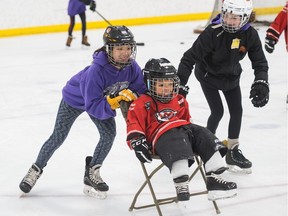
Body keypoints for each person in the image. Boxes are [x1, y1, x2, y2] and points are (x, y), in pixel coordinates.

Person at [19, 25, 147, 199]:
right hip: (75, 99)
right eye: (119, 48)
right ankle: (35, 169)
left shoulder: (132, 67)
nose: (125, 52)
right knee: (58, 137)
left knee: (109, 134)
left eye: (128, 48)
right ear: (109, 49)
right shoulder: (96, 71)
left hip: (100, 100)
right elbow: (93, 105)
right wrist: (111, 103)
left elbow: (139, 89)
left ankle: (92, 171)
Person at [125, 58, 237, 202]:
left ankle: (214, 178)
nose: (167, 88)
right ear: (149, 83)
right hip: (161, 140)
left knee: (203, 133)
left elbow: (186, 123)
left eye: (170, 84)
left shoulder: (179, 100)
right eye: (160, 84)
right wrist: (137, 143)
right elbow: (134, 124)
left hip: (181, 136)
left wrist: (196, 137)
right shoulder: (141, 103)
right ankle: (181, 184)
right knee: (176, 137)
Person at [177, 0, 269, 174]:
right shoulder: (212, 33)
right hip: (208, 76)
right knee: (217, 111)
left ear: (245, 18)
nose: (229, 21)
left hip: (231, 77)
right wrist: (180, 84)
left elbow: (260, 62)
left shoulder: (250, 35)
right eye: (226, 16)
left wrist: (261, 81)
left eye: (234, 18)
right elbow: (188, 58)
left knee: (237, 111)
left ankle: (232, 152)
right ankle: (205, 147)